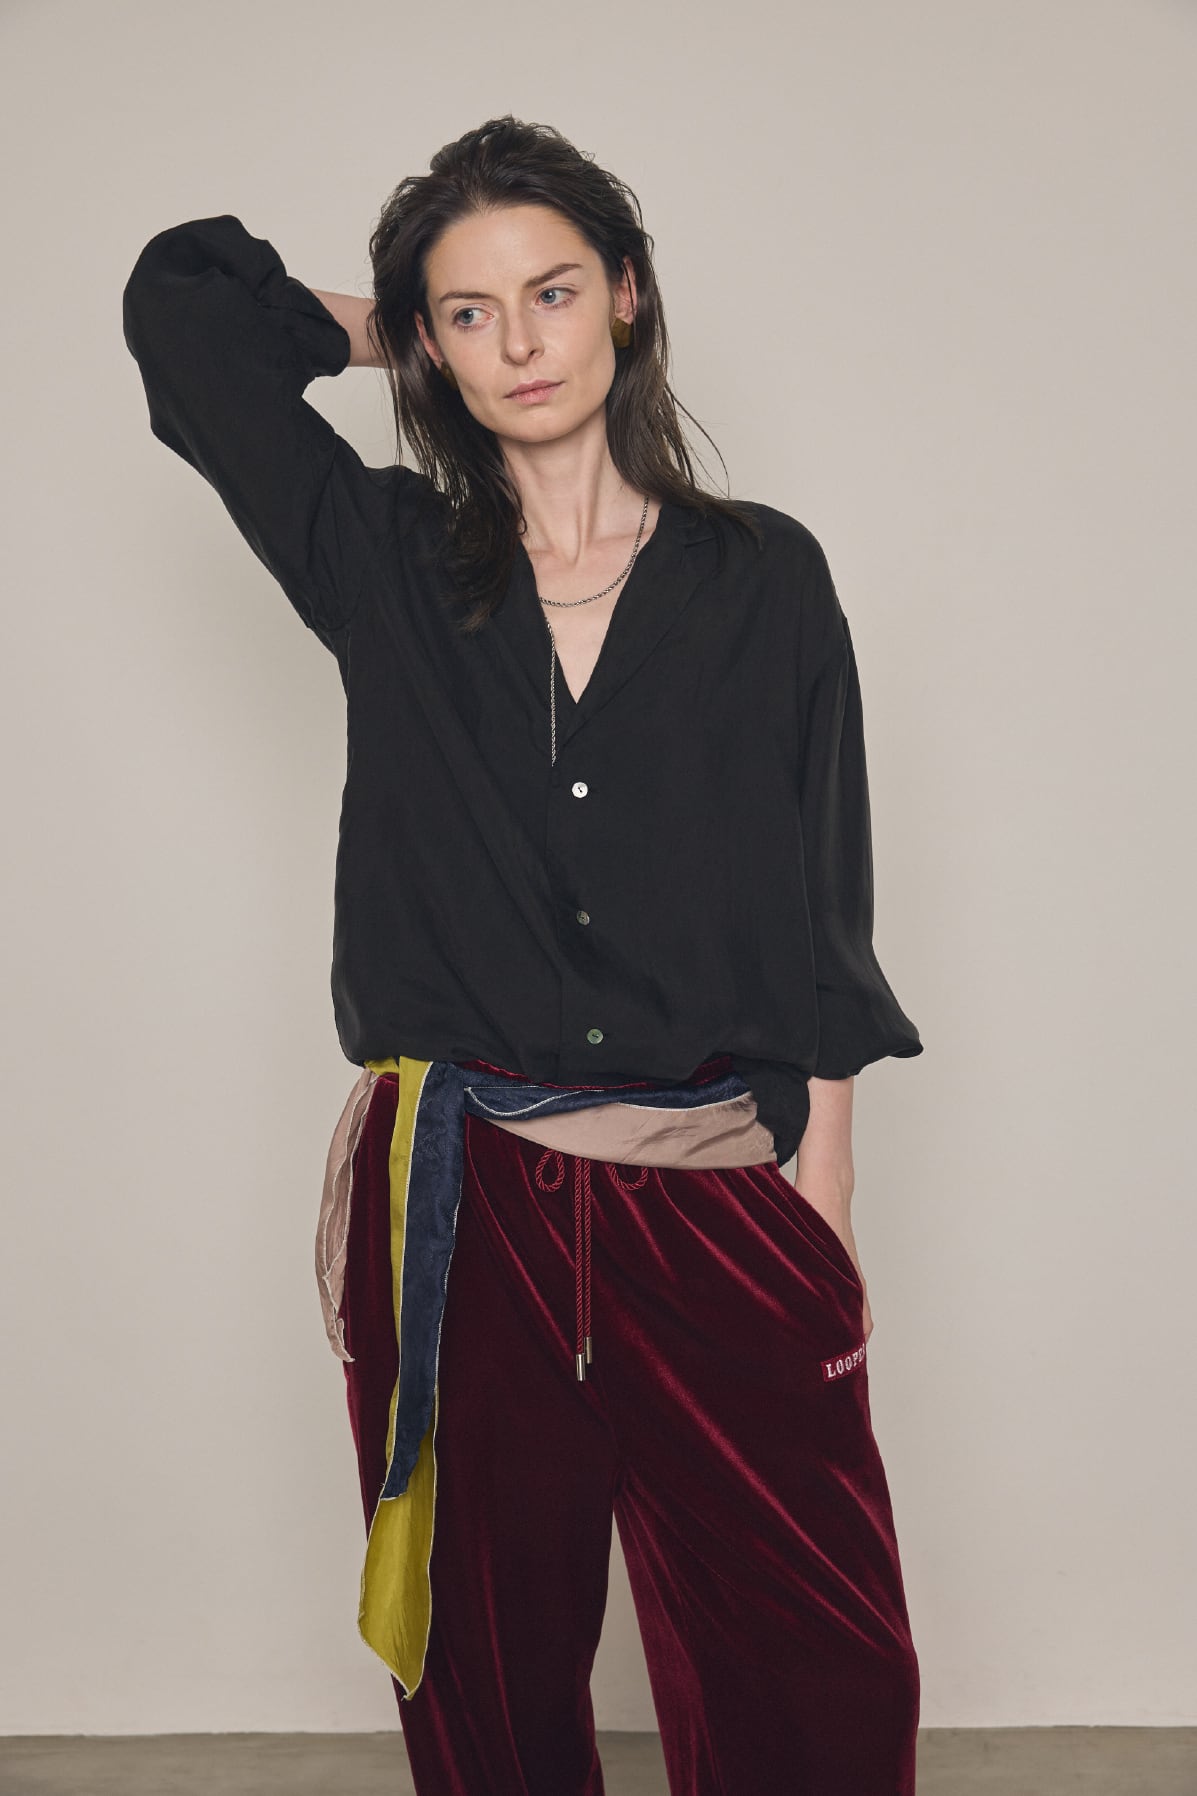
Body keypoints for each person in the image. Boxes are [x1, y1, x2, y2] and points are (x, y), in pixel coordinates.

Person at [123, 113, 924, 1796]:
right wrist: (380, 326)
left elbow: (820, 891)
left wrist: (825, 1191)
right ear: (433, 342)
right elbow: (179, 311)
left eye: (550, 292)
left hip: (711, 1186)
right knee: (484, 1673)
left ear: (625, 294)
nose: (519, 343)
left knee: (811, 1675)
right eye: (470, 313)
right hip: (461, 1199)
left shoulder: (761, 576)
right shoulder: (380, 558)